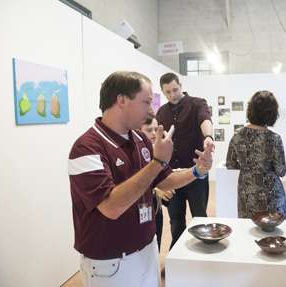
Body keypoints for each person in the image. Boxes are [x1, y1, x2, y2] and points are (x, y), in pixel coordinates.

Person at [68, 71, 214, 287]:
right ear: (122, 100)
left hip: (148, 250)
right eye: (146, 102)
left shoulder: (139, 139)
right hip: (111, 263)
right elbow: (111, 206)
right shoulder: (86, 147)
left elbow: (163, 179)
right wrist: (157, 162)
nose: (151, 110)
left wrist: (196, 170)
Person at [156, 72, 215, 250]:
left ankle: (203, 254)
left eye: (175, 89)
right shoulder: (162, 112)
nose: (172, 94)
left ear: (180, 85)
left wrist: (209, 136)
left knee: (199, 217)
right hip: (172, 176)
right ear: (162, 92)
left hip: (196, 174)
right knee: (176, 220)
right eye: (168, 92)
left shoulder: (197, 104)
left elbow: (205, 119)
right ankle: (177, 257)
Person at [226, 90, 286, 218]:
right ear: (272, 112)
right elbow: (281, 171)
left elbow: (230, 164)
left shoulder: (238, 135)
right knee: (273, 232)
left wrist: (247, 167)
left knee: (248, 229)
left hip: (246, 192)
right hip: (271, 194)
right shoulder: (274, 138)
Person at [141, 114, 175, 252]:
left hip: (157, 209)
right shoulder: (135, 153)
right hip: (141, 212)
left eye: (156, 129)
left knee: (157, 248)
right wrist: (156, 190)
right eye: (149, 130)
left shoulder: (159, 151)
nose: (154, 133)